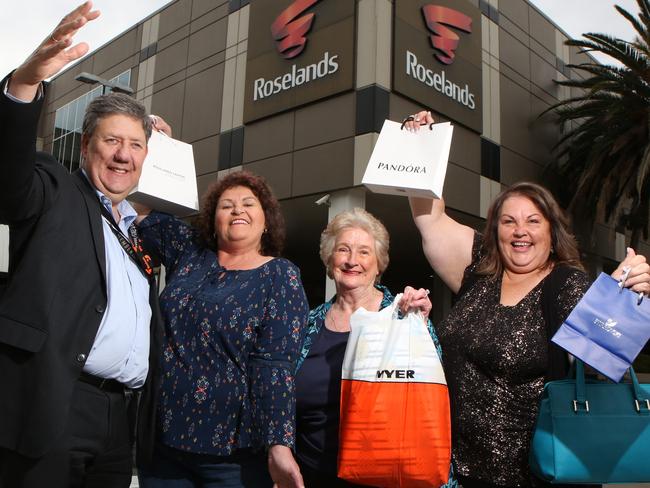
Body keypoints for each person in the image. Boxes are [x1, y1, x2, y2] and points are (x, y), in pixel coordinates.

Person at [405, 110, 650, 488]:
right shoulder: (477, 272)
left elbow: (598, 360)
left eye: (533, 221)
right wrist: (418, 144)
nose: (520, 231)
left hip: (532, 476)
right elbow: (430, 219)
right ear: (495, 231)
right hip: (455, 473)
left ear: (552, 232)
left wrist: (627, 295)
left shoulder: (567, 284)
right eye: (508, 221)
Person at [0, 2, 168, 487]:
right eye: (112, 141)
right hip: (53, 404)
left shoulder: (135, 228)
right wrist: (24, 85)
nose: (123, 155)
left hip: (119, 423)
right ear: (87, 143)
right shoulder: (54, 189)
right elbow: (9, 178)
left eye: (135, 145)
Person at [135, 170, 310, 488]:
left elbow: (275, 365)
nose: (237, 210)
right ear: (212, 220)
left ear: (266, 220)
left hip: (233, 457)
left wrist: (279, 445)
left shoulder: (279, 276)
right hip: (162, 443)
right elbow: (138, 207)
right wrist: (157, 146)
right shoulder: (189, 255)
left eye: (248, 204)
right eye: (226, 205)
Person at [280, 208, 456, 488]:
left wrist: (416, 322)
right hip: (310, 474)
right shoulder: (306, 325)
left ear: (379, 264)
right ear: (329, 259)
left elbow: (431, 400)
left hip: (384, 477)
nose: (352, 261)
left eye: (364, 252)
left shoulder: (405, 317)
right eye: (343, 250)